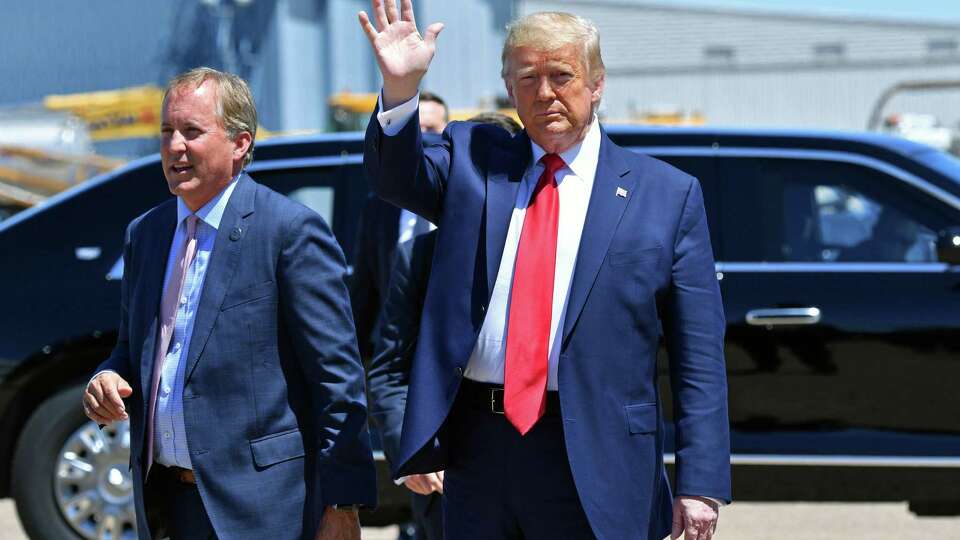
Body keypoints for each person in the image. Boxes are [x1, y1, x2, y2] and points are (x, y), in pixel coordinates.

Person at [359, 2, 731, 540]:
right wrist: (400, 91)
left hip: (601, 455)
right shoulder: (475, 160)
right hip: (481, 449)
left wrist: (701, 483)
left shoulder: (667, 195)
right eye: (527, 78)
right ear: (509, 91)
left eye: (562, 76)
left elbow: (698, 356)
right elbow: (397, 178)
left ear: (597, 83)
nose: (545, 92)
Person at [82, 67, 376, 540]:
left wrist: (343, 503)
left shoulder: (289, 232)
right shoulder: (147, 234)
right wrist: (107, 376)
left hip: (264, 509)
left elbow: (337, 379)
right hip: (168, 506)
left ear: (240, 144)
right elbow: (129, 347)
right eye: (167, 131)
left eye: (192, 132)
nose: (175, 146)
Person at [365, 113, 520, 540]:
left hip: (542, 471)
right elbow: (389, 368)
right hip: (447, 475)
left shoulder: (552, 249)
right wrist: (413, 452)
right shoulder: (418, 257)